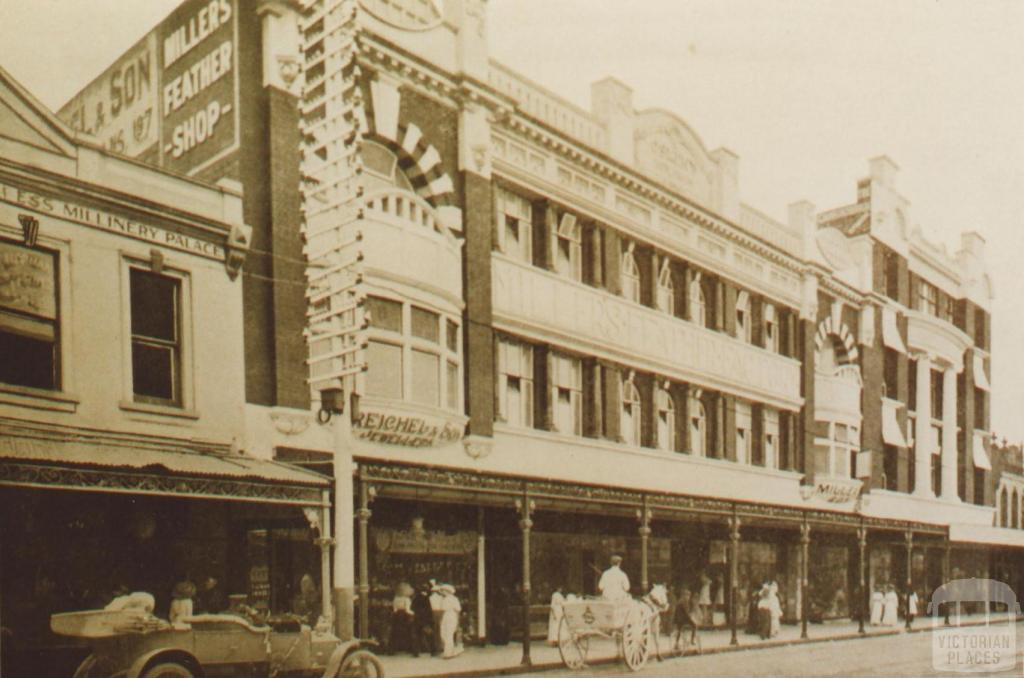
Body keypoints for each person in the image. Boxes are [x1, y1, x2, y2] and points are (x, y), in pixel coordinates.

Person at [389, 582, 415, 656]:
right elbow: (407, 609)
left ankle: (392, 650)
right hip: (404, 616)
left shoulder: (395, 598)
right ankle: (410, 649)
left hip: (397, 616)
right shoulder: (407, 599)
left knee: (395, 633)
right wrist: (413, 614)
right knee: (409, 633)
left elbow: (394, 609)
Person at [439, 584, 463, 658]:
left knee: (449, 634)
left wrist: (457, 620)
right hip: (445, 616)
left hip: (451, 616)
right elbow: (442, 610)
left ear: (447, 591)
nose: (442, 592)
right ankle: (451, 651)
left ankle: (448, 653)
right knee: (443, 634)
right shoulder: (444, 599)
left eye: (443, 590)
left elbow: (458, 610)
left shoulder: (454, 599)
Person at [411, 582, 435, 656]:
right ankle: (433, 651)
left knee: (417, 636)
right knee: (429, 635)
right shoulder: (427, 598)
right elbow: (429, 610)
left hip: (417, 619)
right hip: (426, 620)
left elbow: (411, 608)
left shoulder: (415, 598)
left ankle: (416, 652)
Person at [429, 581, 444, 655]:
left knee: (434, 631)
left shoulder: (430, 598)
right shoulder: (441, 598)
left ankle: (435, 647)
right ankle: (440, 646)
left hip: (433, 614)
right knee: (440, 630)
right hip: (440, 613)